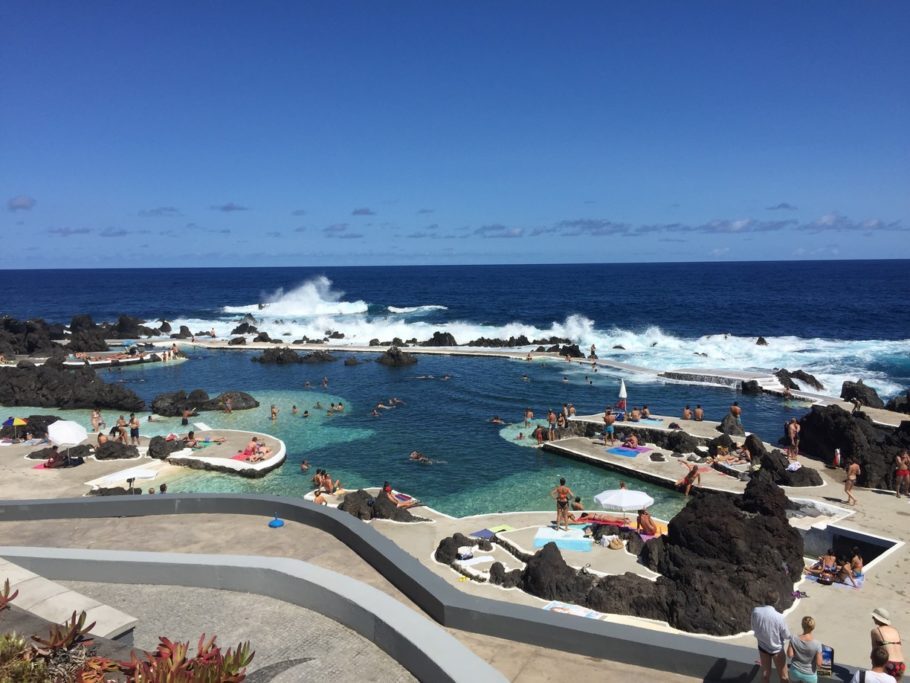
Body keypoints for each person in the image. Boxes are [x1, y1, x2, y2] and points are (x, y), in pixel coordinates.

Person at [751, 589, 791, 683]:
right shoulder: (779, 617)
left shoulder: (755, 611)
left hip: (762, 647)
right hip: (776, 649)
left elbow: (753, 627)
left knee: (765, 675)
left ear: (765, 599)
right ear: (776, 601)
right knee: (784, 676)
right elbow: (786, 635)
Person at [870, 608, 904, 681]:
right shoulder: (895, 630)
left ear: (878, 619)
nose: (873, 618)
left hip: (888, 663)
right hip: (901, 664)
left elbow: (875, 652)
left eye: (874, 617)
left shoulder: (875, 631)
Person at [787, 616, 823, 683]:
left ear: (802, 625)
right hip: (809, 675)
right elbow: (819, 663)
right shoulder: (817, 644)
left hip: (795, 671)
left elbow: (790, 655)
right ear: (813, 627)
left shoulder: (793, 638)